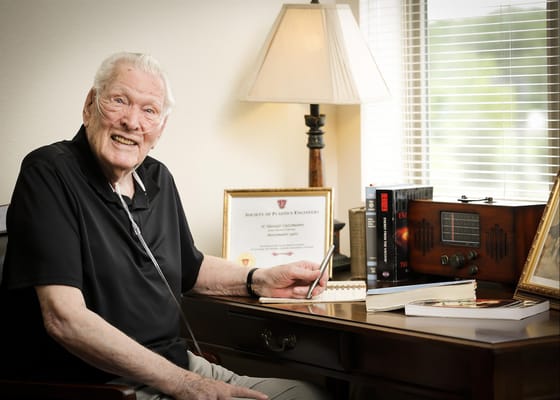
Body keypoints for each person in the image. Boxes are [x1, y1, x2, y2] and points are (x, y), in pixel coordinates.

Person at [0, 52, 331, 400]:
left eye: (149, 110)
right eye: (119, 101)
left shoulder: (156, 177)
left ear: (160, 128)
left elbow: (191, 267)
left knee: (308, 394)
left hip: (175, 367)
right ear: (89, 105)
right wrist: (187, 385)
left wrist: (259, 278)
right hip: (104, 384)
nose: (132, 121)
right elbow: (64, 319)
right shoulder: (49, 172)